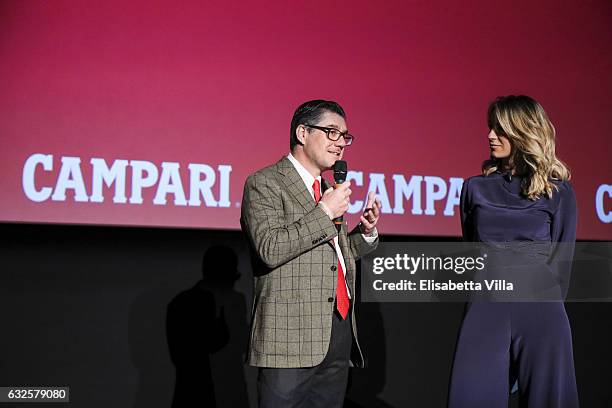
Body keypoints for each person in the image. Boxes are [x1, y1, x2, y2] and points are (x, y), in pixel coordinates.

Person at [240, 99, 382, 407]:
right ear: (303, 133)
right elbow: (270, 248)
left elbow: (330, 258)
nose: (341, 143)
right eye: (332, 132)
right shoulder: (265, 182)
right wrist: (324, 212)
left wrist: (365, 232)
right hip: (290, 333)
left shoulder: (327, 190)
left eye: (345, 136)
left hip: (337, 330)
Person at [448, 95, 579, 408]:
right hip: (485, 304)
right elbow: (472, 251)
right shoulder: (474, 188)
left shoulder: (558, 191)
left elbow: (561, 264)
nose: (491, 135)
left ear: (524, 132)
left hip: (542, 310)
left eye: (501, 129)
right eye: (491, 127)